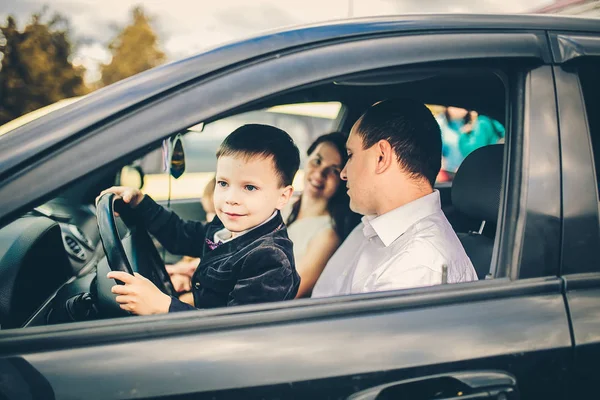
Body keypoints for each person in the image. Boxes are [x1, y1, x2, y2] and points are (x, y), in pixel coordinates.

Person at [99, 124, 301, 314]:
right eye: (223, 183)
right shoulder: (227, 227)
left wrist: (163, 306)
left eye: (249, 187)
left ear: (283, 196)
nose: (230, 199)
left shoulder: (270, 260)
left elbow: (236, 330)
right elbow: (181, 235)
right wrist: (141, 204)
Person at [311, 99, 477, 298]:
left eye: (351, 155)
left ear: (381, 157)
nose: (343, 173)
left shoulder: (417, 265)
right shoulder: (371, 226)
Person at [283, 132, 360, 298]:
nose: (319, 174)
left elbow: (291, 293)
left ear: (343, 178)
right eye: (317, 161)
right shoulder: (283, 206)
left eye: (333, 170)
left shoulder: (327, 236)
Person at [165, 176, 216, 301]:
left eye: (215, 214)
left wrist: (175, 270)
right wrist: (179, 275)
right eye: (208, 213)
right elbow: (188, 262)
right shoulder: (211, 236)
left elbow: (194, 267)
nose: (210, 219)